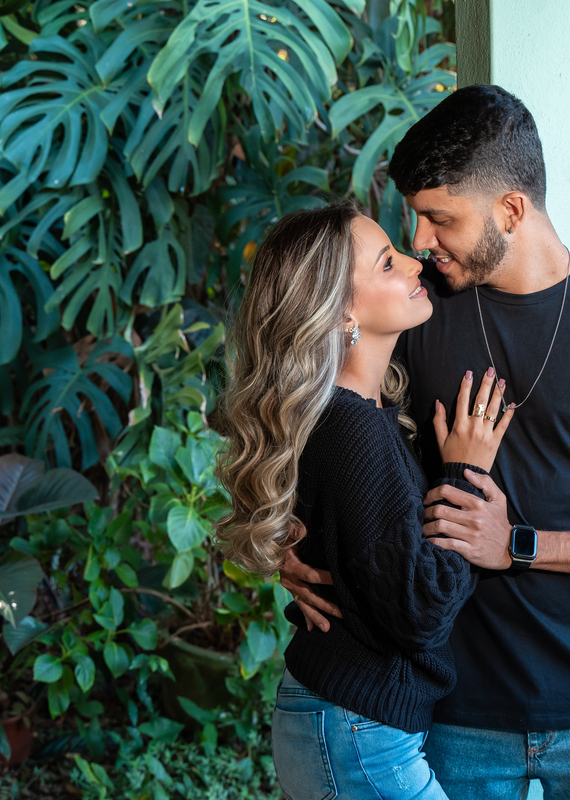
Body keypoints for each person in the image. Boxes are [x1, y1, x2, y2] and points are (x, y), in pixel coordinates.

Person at [280, 85, 570, 799]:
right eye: (416, 217)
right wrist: (288, 540)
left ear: (511, 210)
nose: (421, 242)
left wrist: (517, 544)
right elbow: (319, 422)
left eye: (440, 218)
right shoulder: (415, 313)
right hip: (454, 711)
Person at [216, 202, 517, 800]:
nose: (415, 262)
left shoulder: (349, 415)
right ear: (341, 312)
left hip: (344, 722)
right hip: (358, 732)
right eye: (387, 263)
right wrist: (466, 473)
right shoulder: (352, 427)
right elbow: (420, 612)